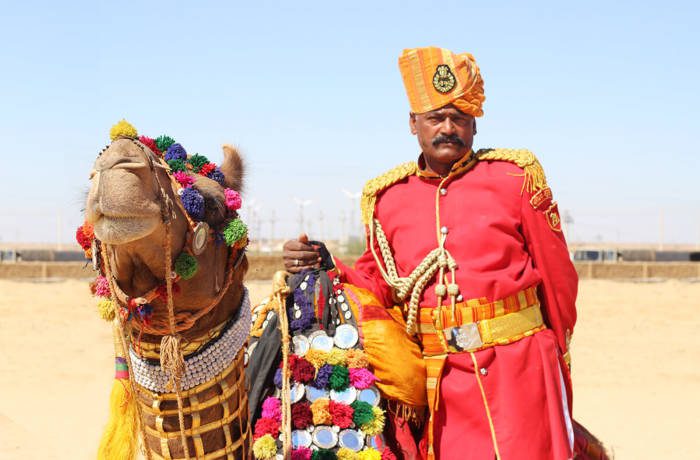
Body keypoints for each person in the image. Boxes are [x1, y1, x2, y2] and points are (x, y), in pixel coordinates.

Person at [283, 46, 578, 460]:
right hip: (442, 383)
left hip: (522, 370)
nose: (447, 128)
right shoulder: (386, 199)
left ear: (474, 126)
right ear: (413, 124)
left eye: (459, 118)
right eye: (435, 118)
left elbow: (559, 278)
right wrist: (325, 262)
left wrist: (556, 360)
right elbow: (379, 286)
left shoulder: (515, 177)